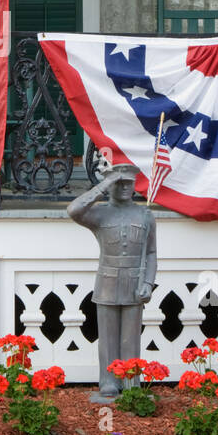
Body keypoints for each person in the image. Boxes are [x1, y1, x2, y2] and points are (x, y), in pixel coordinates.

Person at [67, 164, 157, 403]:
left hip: (135, 281)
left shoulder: (145, 215)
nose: (125, 187)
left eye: (128, 182)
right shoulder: (100, 214)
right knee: (107, 336)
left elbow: (151, 253)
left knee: (131, 335)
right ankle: (109, 380)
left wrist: (149, 282)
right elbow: (74, 210)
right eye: (119, 183)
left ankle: (130, 380)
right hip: (107, 281)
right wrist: (103, 185)